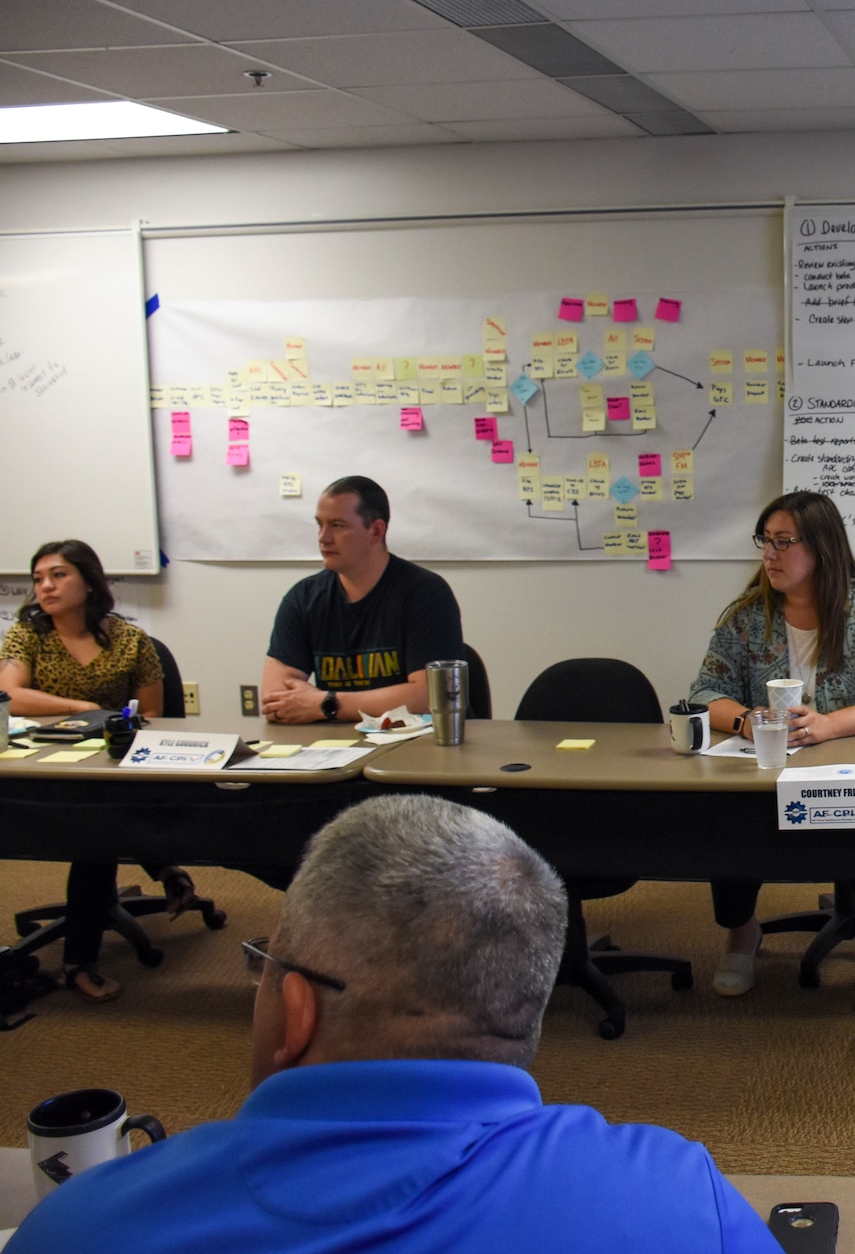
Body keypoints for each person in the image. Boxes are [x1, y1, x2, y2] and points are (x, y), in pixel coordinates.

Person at [9, 793, 782, 1253]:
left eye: (263, 964)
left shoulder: (81, 1227)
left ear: (297, 1008)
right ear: (526, 1000)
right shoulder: (677, 1202)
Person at [691, 490, 855, 1008]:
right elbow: (705, 692)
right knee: (723, 812)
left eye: (783, 543)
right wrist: (746, 720)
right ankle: (741, 931)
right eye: (765, 542)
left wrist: (829, 726)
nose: (769, 555)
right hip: (769, 768)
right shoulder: (749, 615)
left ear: (821, 547)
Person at [0, 539, 193, 1002]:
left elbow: (153, 717)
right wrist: (83, 707)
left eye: (58, 575)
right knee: (97, 825)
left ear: (89, 582)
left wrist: (113, 727)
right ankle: (165, 867)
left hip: (114, 763)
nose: (45, 586)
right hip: (48, 766)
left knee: (98, 828)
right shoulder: (27, 634)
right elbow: (12, 695)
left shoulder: (130, 640)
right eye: (38, 578)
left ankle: (77, 962)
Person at [261, 475, 464, 724]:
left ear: (376, 531)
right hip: (336, 750)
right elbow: (275, 699)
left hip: (418, 747)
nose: (323, 538)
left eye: (338, 526)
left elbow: (430, 696)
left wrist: (327, 703)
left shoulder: (426, 593)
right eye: (320, 524)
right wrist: (330, 704)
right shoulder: (303, 598)